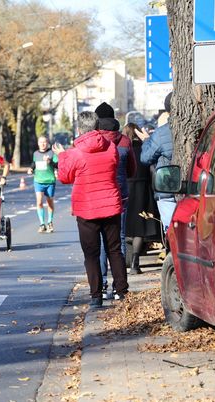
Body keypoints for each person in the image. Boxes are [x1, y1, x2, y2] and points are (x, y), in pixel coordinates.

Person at [53, 111, 129, 307]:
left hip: (86, 208)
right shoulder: (111, 147)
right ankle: (121, 291)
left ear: (80, 129)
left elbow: (64, 177)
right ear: (96, 127)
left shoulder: (74, 153)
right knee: (114, 250)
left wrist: (61, 156)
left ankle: (96, 295)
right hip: (111, 204)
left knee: (91, 254)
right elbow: (113, 167)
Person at [94, 102, 136, 299]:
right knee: (117, 240)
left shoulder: (92, 140)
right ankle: (120, 288)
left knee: (100, 242)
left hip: (97, 195)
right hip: (120, 195)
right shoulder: (125, 141)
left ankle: (101, 285)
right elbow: (132, 170)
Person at [123, 122, 160, 274]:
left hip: (127, 189)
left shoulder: (124, 150)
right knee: (140, 228)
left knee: (126, 227)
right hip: (143, 189)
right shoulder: (145, 149)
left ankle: (125, 258)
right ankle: (135, 263)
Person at [136, 92, 175, 233]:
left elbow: (145, 157)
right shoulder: (199, 126)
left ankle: (172, 253)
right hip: (196, 187)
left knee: (171, 230)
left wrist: (146, 140)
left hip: (168, 188)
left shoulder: (160, 133)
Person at [27, 135, 58, 233]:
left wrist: (50, 162)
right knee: (39, 202)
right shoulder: (36, 153)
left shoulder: (52, 153)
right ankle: (42, 224)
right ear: (38, 143)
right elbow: (34, 163)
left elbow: (57, 165)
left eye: (44, 142)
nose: (43, 144)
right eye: (41, 142)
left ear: (47, 143)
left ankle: (49, 222)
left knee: (49, 202)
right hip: (38, 181)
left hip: (49, 181)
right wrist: (31, 169)